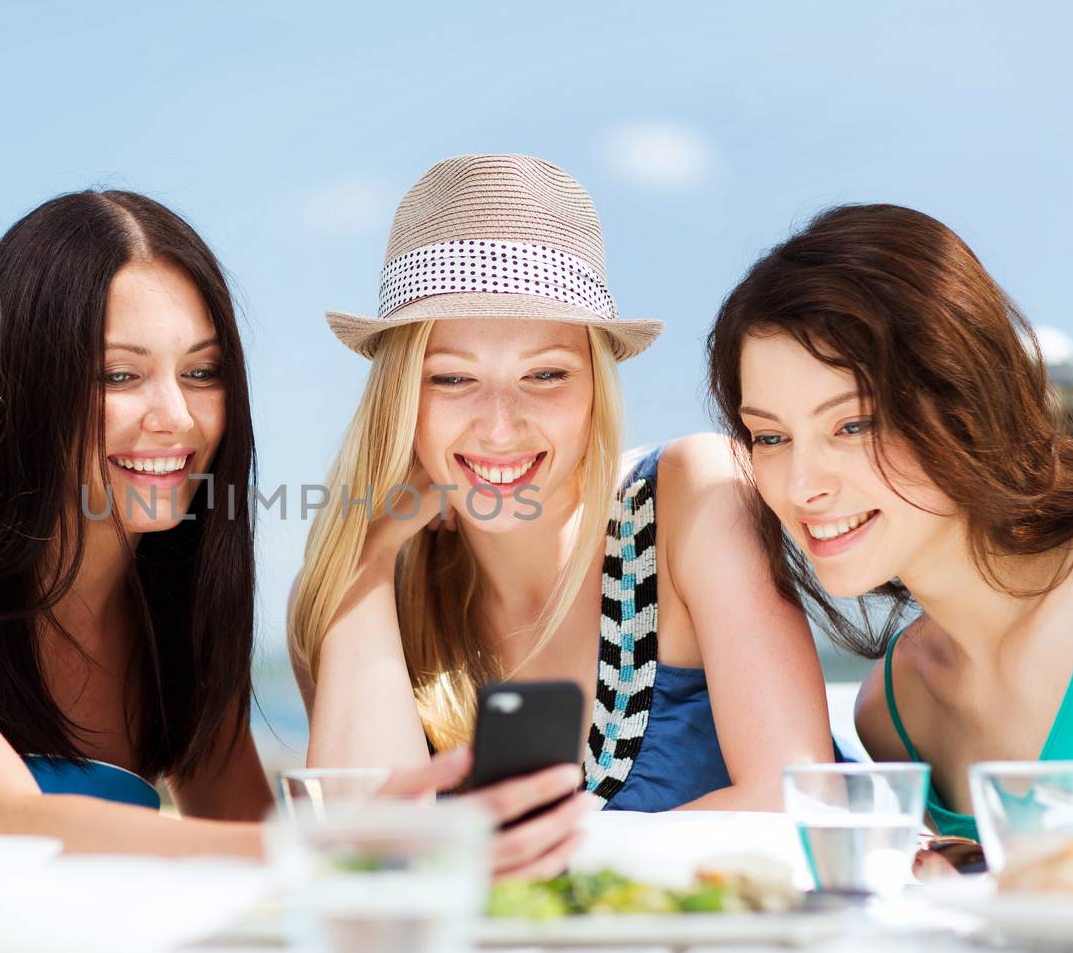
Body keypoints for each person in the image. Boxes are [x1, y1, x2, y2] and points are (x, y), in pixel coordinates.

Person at [0, 190, 579, 869]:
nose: (177, 417)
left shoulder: (179, 626)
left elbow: (243, 844)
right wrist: (332, 844)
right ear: (26, 385)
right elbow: (4, 818)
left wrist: (376, 547)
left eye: (202, 373)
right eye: (119, 377)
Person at [290, 155, 831, 862]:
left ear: (596, 390)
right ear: (400, 401)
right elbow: (363, 860)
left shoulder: (692, 498)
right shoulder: (370, 590)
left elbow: (795, 801)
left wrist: (501, 860)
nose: (500, 425)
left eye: (545, 375)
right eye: (452, 379)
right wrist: (366, 556)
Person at [706, 203, 1073, 840]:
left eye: (852, 425)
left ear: (963, 398)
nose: (803, 486)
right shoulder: (895, 708)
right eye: (770, 437)